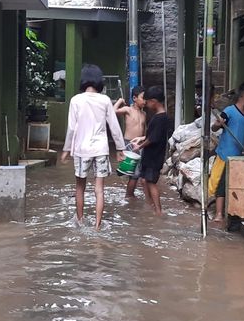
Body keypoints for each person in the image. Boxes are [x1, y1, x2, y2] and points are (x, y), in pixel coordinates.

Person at [61, 65, 125, 229]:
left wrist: (66, 150)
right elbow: (114, 126)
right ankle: (97, 226)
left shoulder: (76, 100)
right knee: (99, 190)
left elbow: (72, 128)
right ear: (99, 81)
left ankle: (80, 221)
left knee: (80, 188)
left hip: (82, 150)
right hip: (101, 149)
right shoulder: (104, 100)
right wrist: (120, 148)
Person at [209, 81, 244, 223]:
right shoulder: (229, 111)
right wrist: (218, 124)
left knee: (236, 184)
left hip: (239, 156)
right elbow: (214, 128)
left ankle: (232, 211)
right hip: (225, 154)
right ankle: (218, 214)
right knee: (222, 184)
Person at [131, 86, 170, 216]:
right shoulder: (159, 117)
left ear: (154, 101)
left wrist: (139, 146)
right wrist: (141, 138)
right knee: (144, 180)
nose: (146, 104)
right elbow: (152, 135)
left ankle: (158, 211)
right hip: (150, 155)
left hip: (154, 156)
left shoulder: (160, 118)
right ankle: (149, 204)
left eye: (147, 102)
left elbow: (153, 139)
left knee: (151, 183)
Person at [114, 86, 146, 198]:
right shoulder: (128, 109)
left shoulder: (144, 114)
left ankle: (129, 194)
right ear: (134, 98)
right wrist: (119, 101)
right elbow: (112, 112)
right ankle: (129, 196)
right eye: (143, 98)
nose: (145, 101)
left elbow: (144, 130)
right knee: (134, 173)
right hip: (128, 143)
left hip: (139, 145)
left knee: (137, 172)